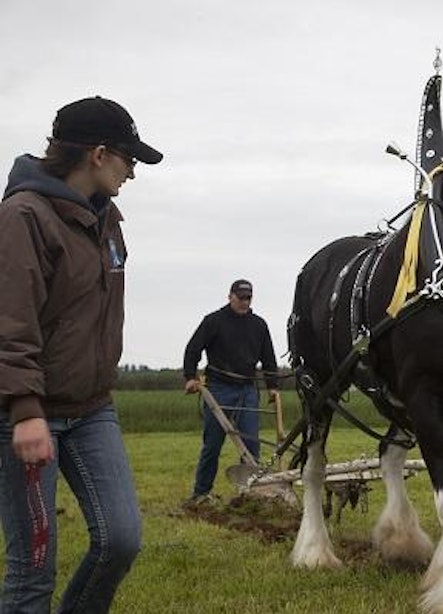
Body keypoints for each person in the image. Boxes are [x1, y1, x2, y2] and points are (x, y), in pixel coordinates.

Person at [0, 96, 162, 611]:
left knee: (121, 539)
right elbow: (11, 320)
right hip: (28, 414)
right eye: (128, 158)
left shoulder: (107, 220)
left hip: (92, 408)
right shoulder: (22, 217)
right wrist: (25, 410)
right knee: (33, 569)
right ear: (98, 154)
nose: (132, 171)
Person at [183, 279, 279, 503]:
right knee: (213, 445)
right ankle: (201, 493)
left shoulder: (259, 325)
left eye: (248, 298)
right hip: (218, 389)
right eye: (241, 297)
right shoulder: (214, 321)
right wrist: (190, 377)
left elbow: (268, 358)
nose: (245, 302)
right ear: (230, 297)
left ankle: (250, 493)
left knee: (250, 443)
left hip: (247, 389)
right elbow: (193, 349)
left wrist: (272, 386)